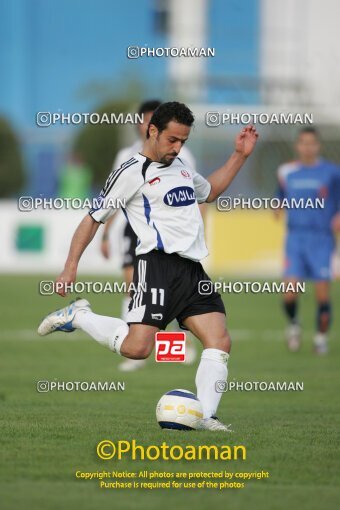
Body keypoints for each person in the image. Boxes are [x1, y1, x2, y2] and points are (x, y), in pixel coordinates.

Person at [38, 102, 258, 431]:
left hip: (192, 270)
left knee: (219, 341)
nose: (177, 147)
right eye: (172, 140)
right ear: (152, 131)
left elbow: (209, 191)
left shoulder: (181, 165)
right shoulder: (131, 172)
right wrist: (71, 267)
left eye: (183, 141)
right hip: (156, 266)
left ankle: (206, 417)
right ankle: (79, 316)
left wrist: (239, 155)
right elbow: (92, 219)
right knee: (138, 349)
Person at [101, 100, 198, 371]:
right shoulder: (126, 156)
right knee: (132, 285)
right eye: (143, 120)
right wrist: (107, 234)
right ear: (142, 125)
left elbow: (198, 192)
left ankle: (175, 349)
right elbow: (113, 199)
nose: (145, 125)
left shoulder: (180, 154)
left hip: (172, 230)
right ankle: (132, 349)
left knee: (174, 292)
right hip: (136, 226)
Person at [275, 127, 340, 354]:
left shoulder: (332, 172)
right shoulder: (287, 172)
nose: (307, 147)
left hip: (322, 239)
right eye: (303, 142)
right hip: (295, 238)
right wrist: (277, 207)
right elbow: (280, 196)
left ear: (318, 145)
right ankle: (294, 325)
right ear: (297, 145)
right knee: (289, 292)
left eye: (312, 142)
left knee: (322, 293)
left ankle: (320, 338)